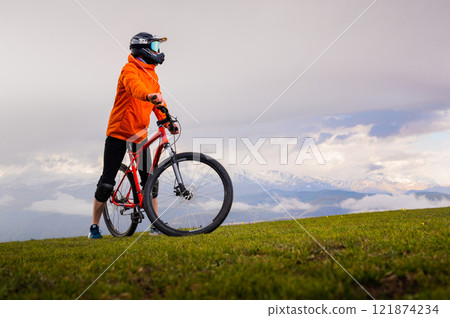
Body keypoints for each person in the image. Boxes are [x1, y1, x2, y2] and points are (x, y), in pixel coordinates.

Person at [89, 32, 178, 239]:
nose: (158, 52)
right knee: (107, 182)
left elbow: (159, 103)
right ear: (143, 48)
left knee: (150, 180)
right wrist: (148, 95)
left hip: (139, 134)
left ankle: (155, 223)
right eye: (155, 47)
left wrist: (168, 120)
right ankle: (94, 226)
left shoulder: (153, 76)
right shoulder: (129, 69)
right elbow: (134, 88)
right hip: (119, 132)